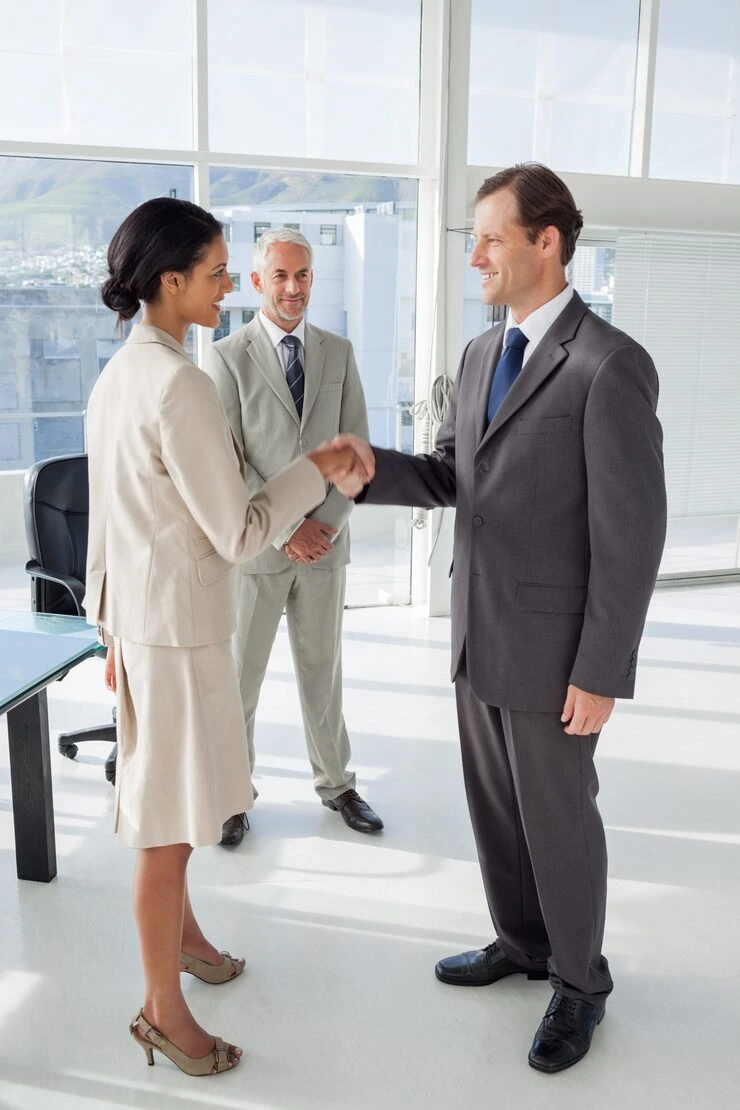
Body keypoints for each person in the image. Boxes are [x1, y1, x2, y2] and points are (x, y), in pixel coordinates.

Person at [334, 163, 667, 1074]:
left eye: (490, 237)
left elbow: (632, 539)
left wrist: (602, 669)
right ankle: (522, 946)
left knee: (559, 820)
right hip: (478, 634)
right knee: (494, 812)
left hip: (558, 652)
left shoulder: (610, 365)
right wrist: (374, 469)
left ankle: (579, 982)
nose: (474, 254)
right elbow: (453, 474)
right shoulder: (485, 353)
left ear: (546, 243)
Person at [84, 198, 369, 1077]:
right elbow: (240, 531)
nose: (226, 287)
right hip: (174, 633)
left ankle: (190, 941)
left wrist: (108, 632)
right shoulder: (180, 383)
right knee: (167, 831)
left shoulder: (121, 372)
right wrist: (316, 467)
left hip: (145, 624)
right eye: (214, 272)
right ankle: (163, 1013)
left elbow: (108, 523)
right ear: (170, 282)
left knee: (177, 807)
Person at [207, 227, 383, 844]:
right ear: (257, 282)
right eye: (279, 276)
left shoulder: (338, 353)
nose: (292, 288)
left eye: (302, 275)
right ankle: (232, 794)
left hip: (326, 549)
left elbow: (355, 448)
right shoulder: (227, 357)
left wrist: (323, 528)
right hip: (259, 547)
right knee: (240, 678)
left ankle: (337, 784)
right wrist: (286, 529)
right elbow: (229, 460)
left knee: (322, 670)